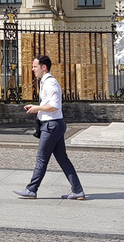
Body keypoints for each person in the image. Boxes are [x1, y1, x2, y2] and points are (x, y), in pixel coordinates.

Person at [13, 55, 85, 200]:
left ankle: (31, 189)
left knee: (41, 158)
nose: (32, 69)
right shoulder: (45, 82)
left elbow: (54, 106)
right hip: (54, 125)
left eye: (35, 66)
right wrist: (37, 108)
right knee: (62, 159)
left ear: (43, 67)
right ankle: (77, 190)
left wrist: (36, 108)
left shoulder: (50, 83)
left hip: (51, 126)